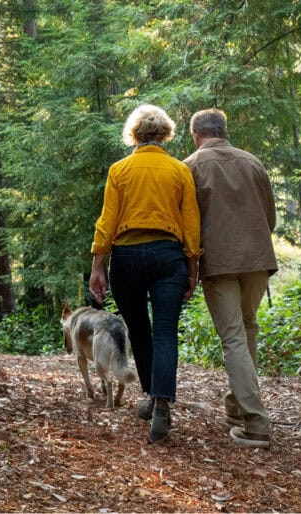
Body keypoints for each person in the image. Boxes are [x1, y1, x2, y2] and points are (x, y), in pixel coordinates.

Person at [89, 104, 201, 443]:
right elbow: (191, 223)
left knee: (139, 328)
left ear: (134, 134)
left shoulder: (120, 170)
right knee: (166, 331)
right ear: (165, 133)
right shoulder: (179, 171)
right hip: (169, 256)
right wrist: (192, 267)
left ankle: (153, 396)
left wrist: (98, 266)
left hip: (127, 257)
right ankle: (161, 401)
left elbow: (107, 221)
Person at [183, 108, 277, 449]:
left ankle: (256, 424)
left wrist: (189, 267)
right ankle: (238, 406)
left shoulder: (190, 166)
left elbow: (188, 224)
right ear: (224, 130)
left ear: (196, 134)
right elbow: (271, 217)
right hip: (258, 260)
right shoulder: (253, 162)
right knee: (248, 326)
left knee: (234, 337)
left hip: (219, 262)